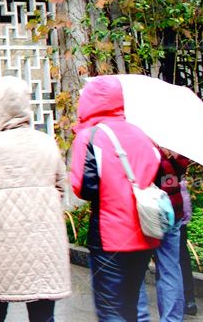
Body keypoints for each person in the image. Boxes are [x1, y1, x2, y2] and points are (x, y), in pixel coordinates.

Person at [0, 76, 71, 322]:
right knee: (43, 312)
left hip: (0, 239)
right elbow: (61, 185)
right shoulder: (46, 142)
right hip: (44, 239)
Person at [70, 76, 161, 322]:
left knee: (111, 311)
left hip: (109, 236)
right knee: (132, 306)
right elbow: (156, 171)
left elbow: (83, 187)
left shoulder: (89, 136)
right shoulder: (141, 134)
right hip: (144, 232)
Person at [138, 151, 193, 322]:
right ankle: (172, 319)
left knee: (136, 269)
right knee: (170, 269)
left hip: (145, 213)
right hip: (171, 210)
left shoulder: (138, 139)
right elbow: (177, 174)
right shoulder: (173, 142)